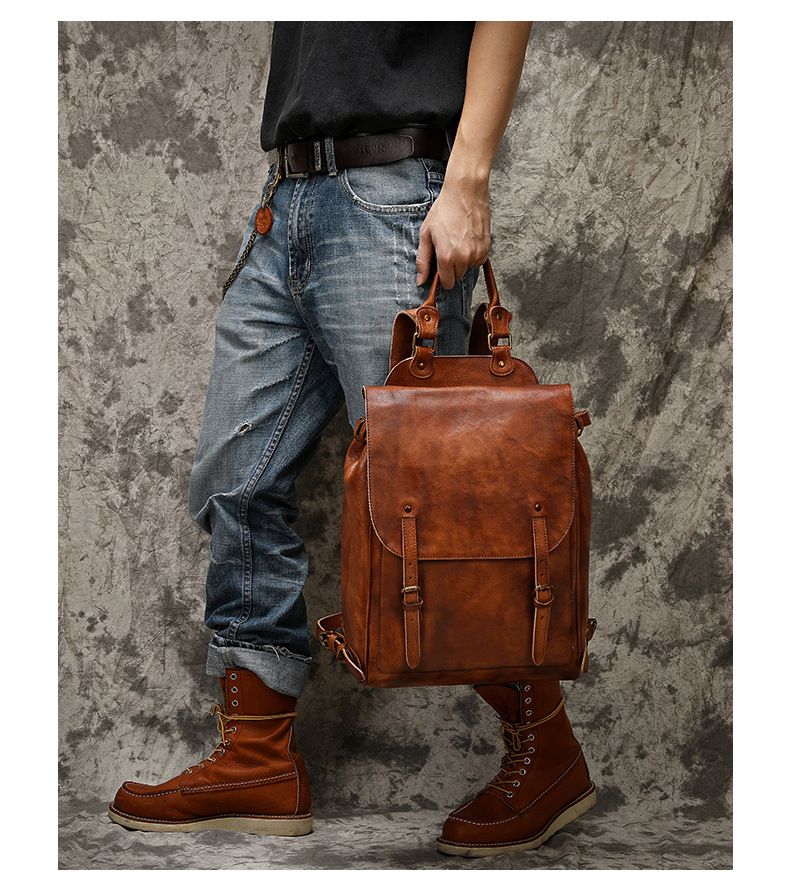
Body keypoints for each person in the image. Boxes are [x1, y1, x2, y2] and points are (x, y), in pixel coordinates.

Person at [108, 21, 596, 856]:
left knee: (442, 512)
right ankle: (257, 757)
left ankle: (546, 747)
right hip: (287, 198)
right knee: (235, 478)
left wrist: (468, 180)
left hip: (393, 194)